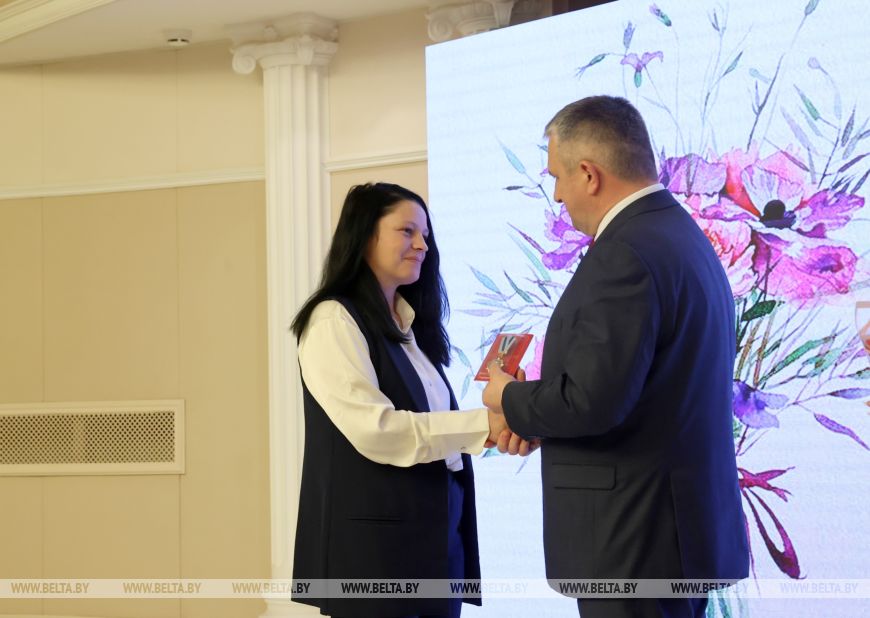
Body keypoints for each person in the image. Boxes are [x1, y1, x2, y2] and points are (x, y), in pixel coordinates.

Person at [483, 96, 749, 618]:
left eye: (557, 177)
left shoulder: (624, 253)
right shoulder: (680, 237)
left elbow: (592, 401)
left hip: (634, 541)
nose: (557, 195)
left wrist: (508, 398)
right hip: (669, 538)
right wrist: (536, 416)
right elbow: (642, 390)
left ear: (588, 174)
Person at [290, 182, 525, 618]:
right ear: (365, 235)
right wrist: (483, 425)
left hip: (438, 542)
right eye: (407, 231)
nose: (422, 245)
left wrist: (504, 419)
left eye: (426, 235)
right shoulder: (333, 320)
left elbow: (433, 431)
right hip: (376, 556)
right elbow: (378, 431)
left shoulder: (409, 327)